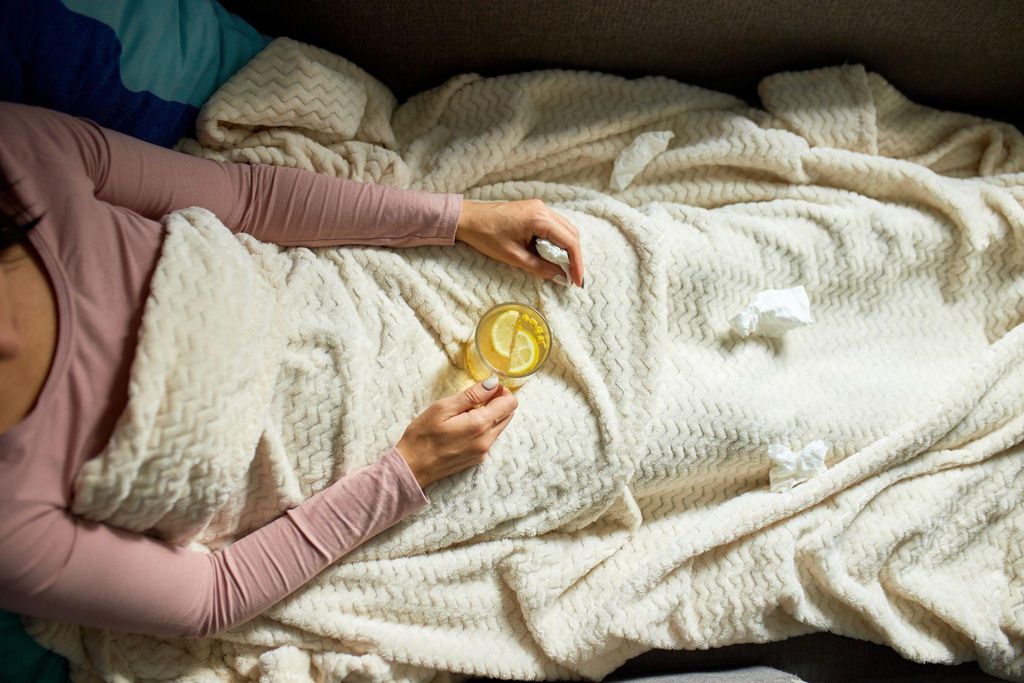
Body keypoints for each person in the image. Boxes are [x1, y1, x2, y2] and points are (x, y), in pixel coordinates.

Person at [0, 102, 585, 639]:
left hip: (371, 291)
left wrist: (463, 217)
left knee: (613, 268)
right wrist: (412, 470)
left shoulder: (19, 155)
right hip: (371, 478)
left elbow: (248, 199)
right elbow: (209, 596)